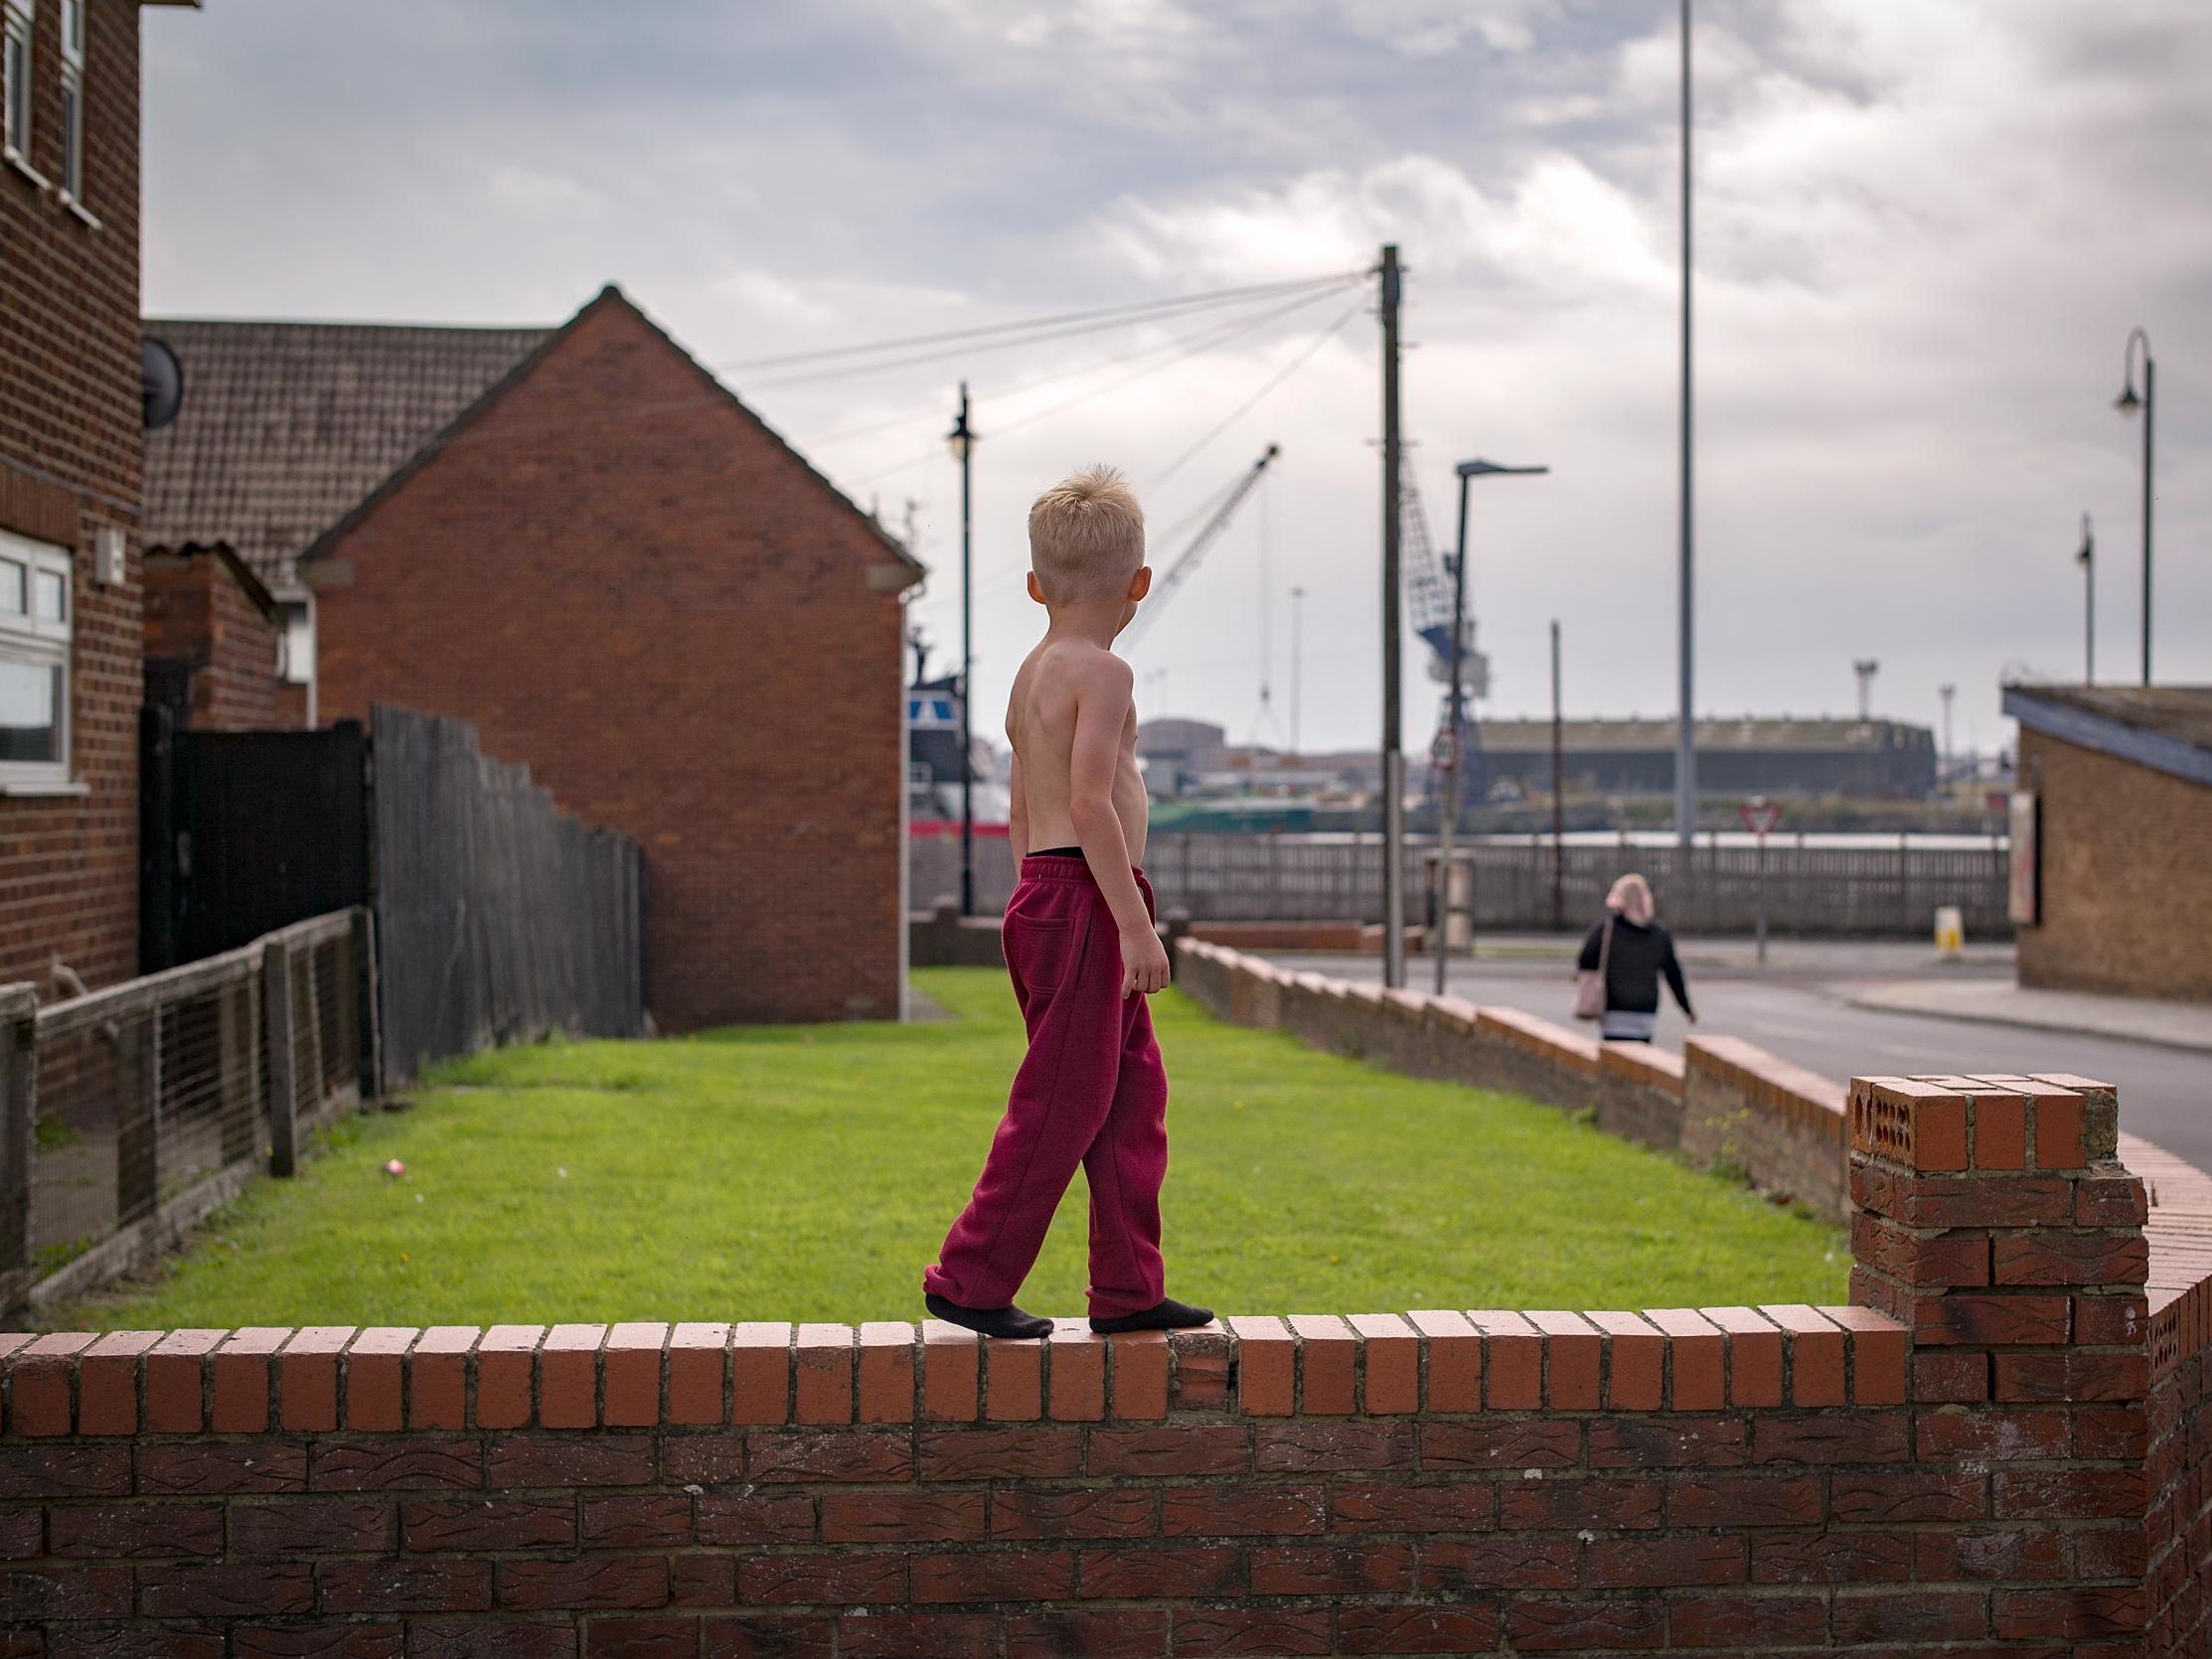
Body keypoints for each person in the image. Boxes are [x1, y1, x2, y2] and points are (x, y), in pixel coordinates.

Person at [922, 465, 1212, 1341]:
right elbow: (1091, 803)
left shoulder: (1028, 673)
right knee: (1061, 1104)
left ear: (1035, 586)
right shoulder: (1106, 673)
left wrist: (1035, 899)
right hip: (1091, 900)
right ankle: (970, 1277)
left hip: (1047, 893)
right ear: (1140, 584)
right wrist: (1134, 923)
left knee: (1128, 1099)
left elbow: (1022, 803)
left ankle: (1128, 1290)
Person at [1576, 872, 1696, 1043]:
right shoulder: (1659, 933)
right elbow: (1673, 974)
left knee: (1614, 1060)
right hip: (1645, 1011)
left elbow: (1585, 960)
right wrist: (1687, 1008)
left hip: (1614, 1010)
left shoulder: (1606, 929)